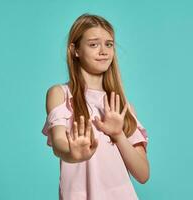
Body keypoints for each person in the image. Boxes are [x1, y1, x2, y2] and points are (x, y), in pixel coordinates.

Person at [42, 13, 150, 200]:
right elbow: (58, 143)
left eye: (109, 44)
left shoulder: (123, 107)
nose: (104, 51)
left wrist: (118, 134)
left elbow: (143, 174)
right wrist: (73, 154)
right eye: (93, 44)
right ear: (75, 50)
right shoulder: (60, 94)